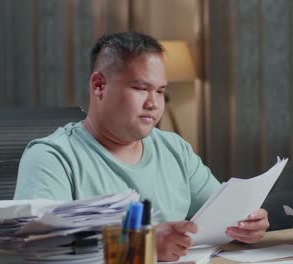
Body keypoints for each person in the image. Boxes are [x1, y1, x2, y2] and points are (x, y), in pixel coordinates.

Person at [13, 32, 269, 261]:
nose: (154, 103)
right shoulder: (51, 157)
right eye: (140, 88)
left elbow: (221, 216)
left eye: (160, 91)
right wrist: (141, 245)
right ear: (99, 86)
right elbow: (39, 250)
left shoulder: (174, 148)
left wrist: (245, 225)